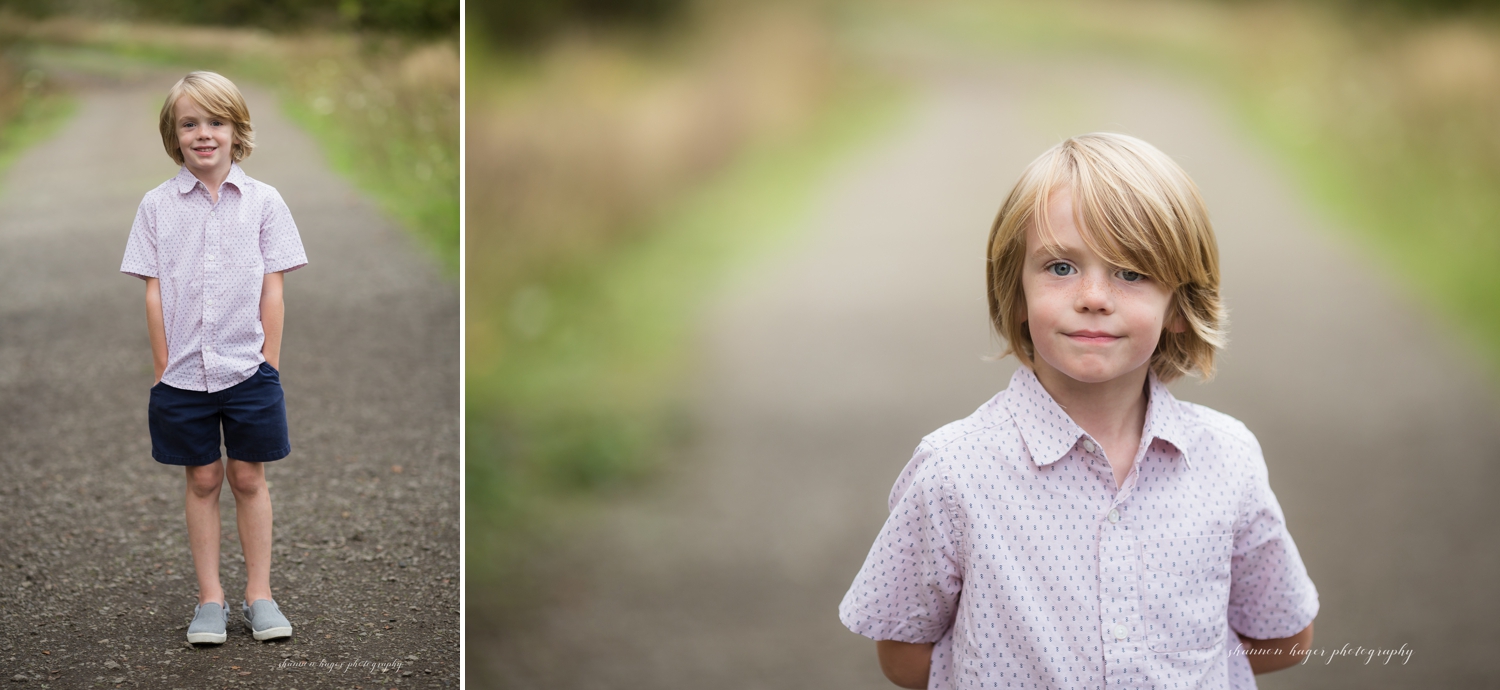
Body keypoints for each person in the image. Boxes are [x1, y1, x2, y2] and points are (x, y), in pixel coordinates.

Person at [839, 133, 1317, 689]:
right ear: (1016, 294)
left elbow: (1284, 635)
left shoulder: (1226, 459)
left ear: (1180, 308)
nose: (1093, 295)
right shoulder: (955, 471)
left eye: (1131, 272)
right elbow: (903, 653)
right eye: (1061, 268)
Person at [120, 71, 308, 645]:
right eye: (189, 123)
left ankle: (259, 594)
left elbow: (272, 288)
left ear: (236, 130)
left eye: (216, 122)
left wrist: (268, 363)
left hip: (249, 369)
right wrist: (161, 367)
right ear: (173, 135)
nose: (204, 134)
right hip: (181, 375)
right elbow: (153, 291)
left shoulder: (264, 202)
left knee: (248, 476)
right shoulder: (156, 206)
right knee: (202, 478)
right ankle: (210, 599)